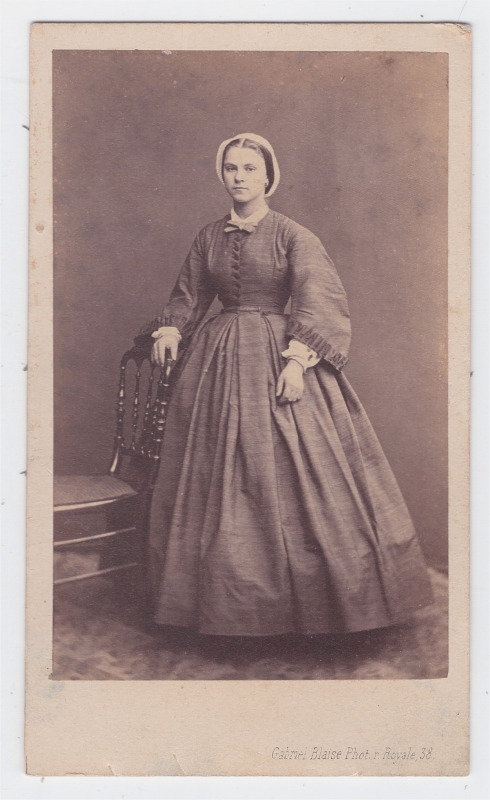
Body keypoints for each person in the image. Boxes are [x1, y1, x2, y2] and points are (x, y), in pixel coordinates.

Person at [148, 132, 433, 637]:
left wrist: (298, 362)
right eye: (232, 169)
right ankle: (220, 604)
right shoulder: (209, 236)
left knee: (299, 474)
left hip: (280, 356)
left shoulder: (293, 235)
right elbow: (189, 293)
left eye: (249, 170)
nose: (239, 178)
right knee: (218, 475)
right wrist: (172, 326)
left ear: (268, 176)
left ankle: (315, 608)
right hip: (217, 360)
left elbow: (319, 298)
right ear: (223, 174)